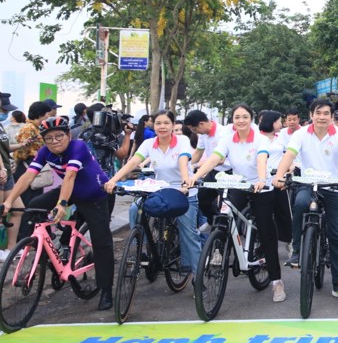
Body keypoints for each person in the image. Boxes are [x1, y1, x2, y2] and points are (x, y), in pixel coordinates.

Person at [2, 116, 115, 310]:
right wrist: (8, 201)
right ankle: (46, 247)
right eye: (49, 138)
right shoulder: (45, 151)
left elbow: (70, 176)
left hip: (96, 195)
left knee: (101, 242)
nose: (54, 141)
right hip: (70, 191)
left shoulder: (78, 147)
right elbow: (28, 176)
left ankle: (106, 291)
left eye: (59, 136)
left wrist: (62, 204)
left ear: (68, 135)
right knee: (35, 205)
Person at [188, 104, 284, 302]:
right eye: (237, 117)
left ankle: (276, 282)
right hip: (238, 184)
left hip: (260, 187)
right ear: (233, 119)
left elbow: (261, 159)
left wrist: (260, 178)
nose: (241, 120)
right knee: (224, 217)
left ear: (251, 119)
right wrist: (195, 176)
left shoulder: (260, 138)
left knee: (266, 230)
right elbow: (214, 158)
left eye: (245, 116)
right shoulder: (227, 139)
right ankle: (220, 250)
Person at [273, 98, 338, 300]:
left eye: (326, 113)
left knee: (337, 235)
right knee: (300, 203)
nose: (322, 117)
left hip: (334, 186)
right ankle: (296, 247)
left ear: (331, 116)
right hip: (307, 183)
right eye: (318, 113)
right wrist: (279, 175)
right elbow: (290, 155)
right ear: (311, 115)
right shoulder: (301, 134)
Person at [104, 110, 202, 277]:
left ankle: (198, 277)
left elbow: (183, 162)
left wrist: (186, 184)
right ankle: (139, 246)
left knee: (189, 235)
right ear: (153, 125)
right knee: (135, 209)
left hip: (183, 191)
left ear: (172, 125)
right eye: (158, 123)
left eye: (166, 123)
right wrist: (113, 180)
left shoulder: (182, 140)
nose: (162, 127)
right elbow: (133, 161)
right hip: (161, 190)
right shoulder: (149, 143)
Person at [184, 110, 232, 227]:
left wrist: (200, 167)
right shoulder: (203, 135)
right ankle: (212, 222)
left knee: (227, 204)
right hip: (214, 172)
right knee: (201, 197)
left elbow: (220, 159)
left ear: (201, 124)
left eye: (194, 129)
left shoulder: (223, 133)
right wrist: (188, 166)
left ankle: (228, 230)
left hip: (230, 172)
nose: (195, 132)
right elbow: (198, 153)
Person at [258, 110, 293, 262]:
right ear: (272, 122)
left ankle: (289, 242)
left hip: (277, 179)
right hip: (260, 181)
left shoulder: (281, 139)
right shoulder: (257, 138)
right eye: (279, 121)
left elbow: (289, 157)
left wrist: (288, 170)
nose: (282, 124)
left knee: (284, 212)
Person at [0, 93, 24, 262]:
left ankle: (10, 250)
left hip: (6, 173)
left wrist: (23, 145)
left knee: (17, 209)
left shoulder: (1, 126)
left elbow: (5, 148)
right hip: (2, 173)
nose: (5, 113)